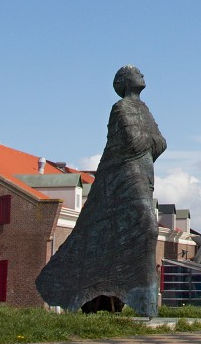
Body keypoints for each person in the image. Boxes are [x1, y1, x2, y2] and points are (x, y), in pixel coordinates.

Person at [36, 65, 166, 316]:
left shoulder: (144, 109)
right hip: (125, 176)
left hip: (143, 172)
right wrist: (148, 143)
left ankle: (131, 297)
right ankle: (139, 299)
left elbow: (161, 143)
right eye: (136, 73)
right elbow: (136, 141)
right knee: (147, 227)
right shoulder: (120, 108)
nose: (143, 75)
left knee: (142, 230)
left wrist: (148, 143)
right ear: (125, 82)